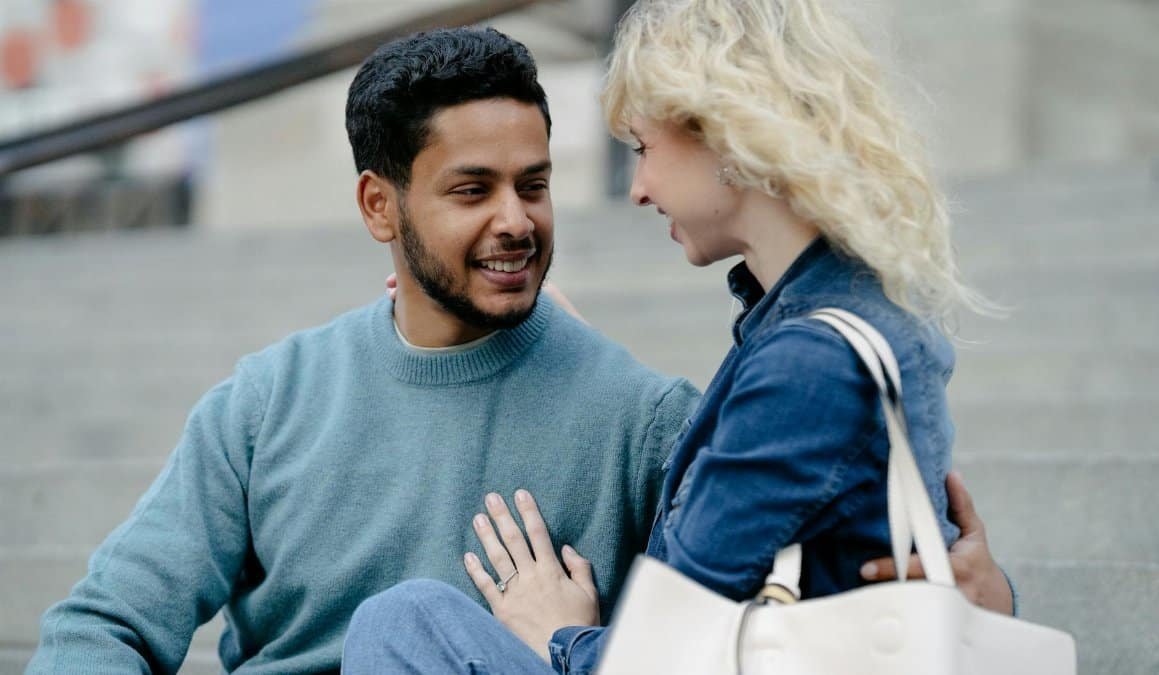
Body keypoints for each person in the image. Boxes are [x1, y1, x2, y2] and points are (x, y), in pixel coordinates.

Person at [28, 25, 1009, 675]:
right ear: (381, 206)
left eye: (534, 185)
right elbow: (103, 626)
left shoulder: (646, 418)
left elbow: (815, 624)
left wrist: (987, 591)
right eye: (472, 190)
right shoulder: (268, 402)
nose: (517, 221)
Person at [340, 2, 1011, 673]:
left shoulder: (811, 362)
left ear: (728, 133)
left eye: (644, 148)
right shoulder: (845, 310)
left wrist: (562, 632)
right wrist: (579, 357)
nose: (638, 188)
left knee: (403, 624)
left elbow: (657, 656)